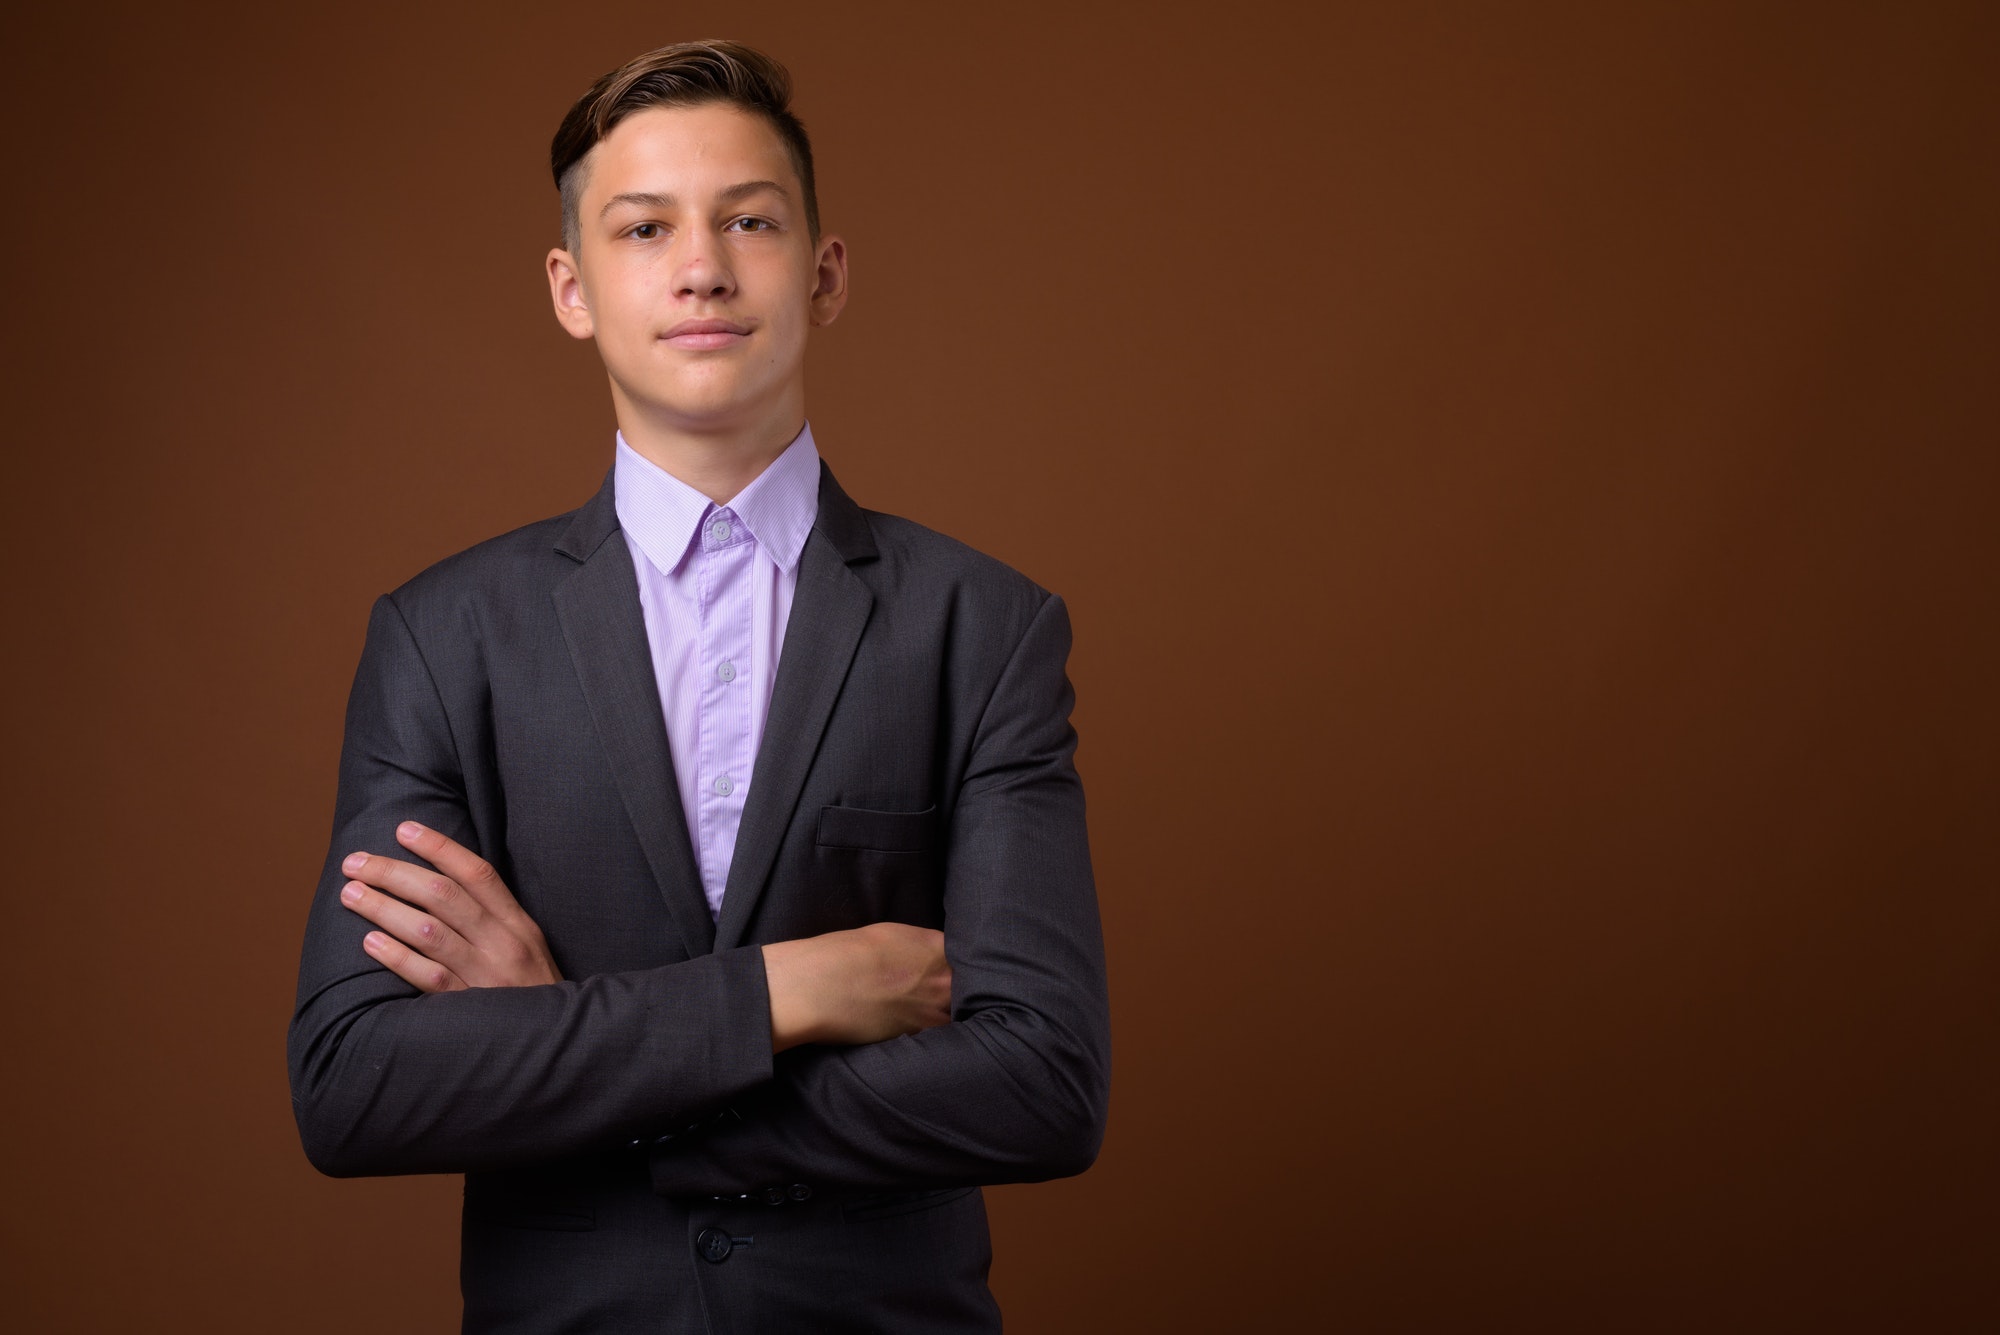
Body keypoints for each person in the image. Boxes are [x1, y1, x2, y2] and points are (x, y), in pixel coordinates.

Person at [285, 38, 1109, 1334]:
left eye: (752, 220)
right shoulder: (446, 636)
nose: (703, 265)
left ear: (825, 273)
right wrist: (797, 992)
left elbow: (1045, 1084)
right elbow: (356, 1086)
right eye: (643, 227)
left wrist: (577, 1058)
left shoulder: (983, 628)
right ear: (572, 289)